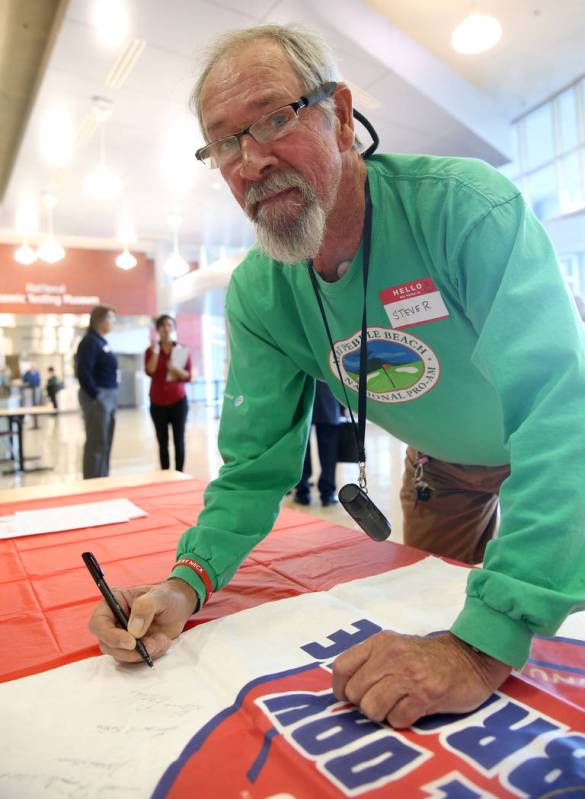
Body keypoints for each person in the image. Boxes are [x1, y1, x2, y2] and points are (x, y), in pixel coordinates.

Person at [89, 25, 585, 729]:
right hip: (442, 467)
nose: (250, 163)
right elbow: (254, 466)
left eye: (272, 118)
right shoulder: (260, 293)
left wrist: (480, 648)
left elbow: (561, 416)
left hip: (552, 438)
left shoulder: (464, 208)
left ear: (342, 117)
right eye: (224, 142)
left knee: (524, 634)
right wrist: (186, 580)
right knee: (424, 630)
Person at [145, 314, 192, 471]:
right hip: (157, 403)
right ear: (157, 329)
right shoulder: (150, 351)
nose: (166, 328)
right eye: (162, 325)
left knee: (179, 440)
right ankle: (165, 475)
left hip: (178, 401)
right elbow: (149, 370)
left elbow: (188, 376)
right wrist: (156, 353)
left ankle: (180, 473)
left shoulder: (181, 350)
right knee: (162, 441)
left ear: (173, 328)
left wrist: (174, 369)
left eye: (169, 325)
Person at [76, 305, 118, 479]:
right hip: (98, 397)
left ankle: (103, 477)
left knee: (105, 441)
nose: (113, 322)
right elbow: (83, 372)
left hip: (108, 396)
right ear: (99, 320)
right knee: (96, 442)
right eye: (111, 318)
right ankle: (93, 481)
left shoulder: (102, 341)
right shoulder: (90, 341)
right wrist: (96, 396)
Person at [294, 380, 340, 506]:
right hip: (328, 399)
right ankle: (327, 493)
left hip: (304, 399)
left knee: (302, 450)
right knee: (328, 453)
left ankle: (302, 492)